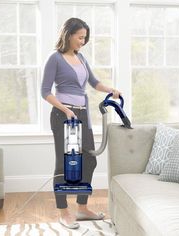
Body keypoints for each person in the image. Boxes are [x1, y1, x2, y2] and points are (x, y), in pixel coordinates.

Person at [41, 17, 121, 229]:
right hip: (63, 116)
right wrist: (65, 110)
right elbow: (45, 91)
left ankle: (82, 208)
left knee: (90, 161)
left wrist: (111, 90)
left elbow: (94, 82)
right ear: (68, 35)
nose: (83, 42)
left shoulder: (82, 58)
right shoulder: (55, 58)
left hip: (82, 116)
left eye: (85, 38)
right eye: (80, 37)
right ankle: (63, 212)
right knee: (63, 164)